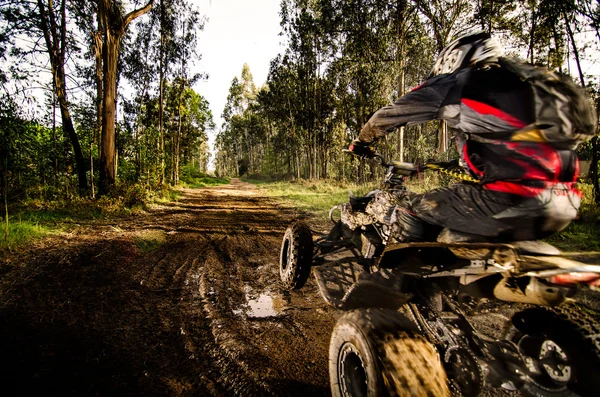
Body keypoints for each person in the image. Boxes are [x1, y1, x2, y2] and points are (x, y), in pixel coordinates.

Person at [345, 31, 596, 243]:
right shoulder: (528, 90)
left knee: (411, 207)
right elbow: (502, 153)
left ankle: (397, 283)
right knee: (456, 202)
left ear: (457, 57)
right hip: (564, 205)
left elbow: (388, 115)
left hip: (511, 199)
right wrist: (432, 166)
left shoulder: (458, 84)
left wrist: (362, 142)